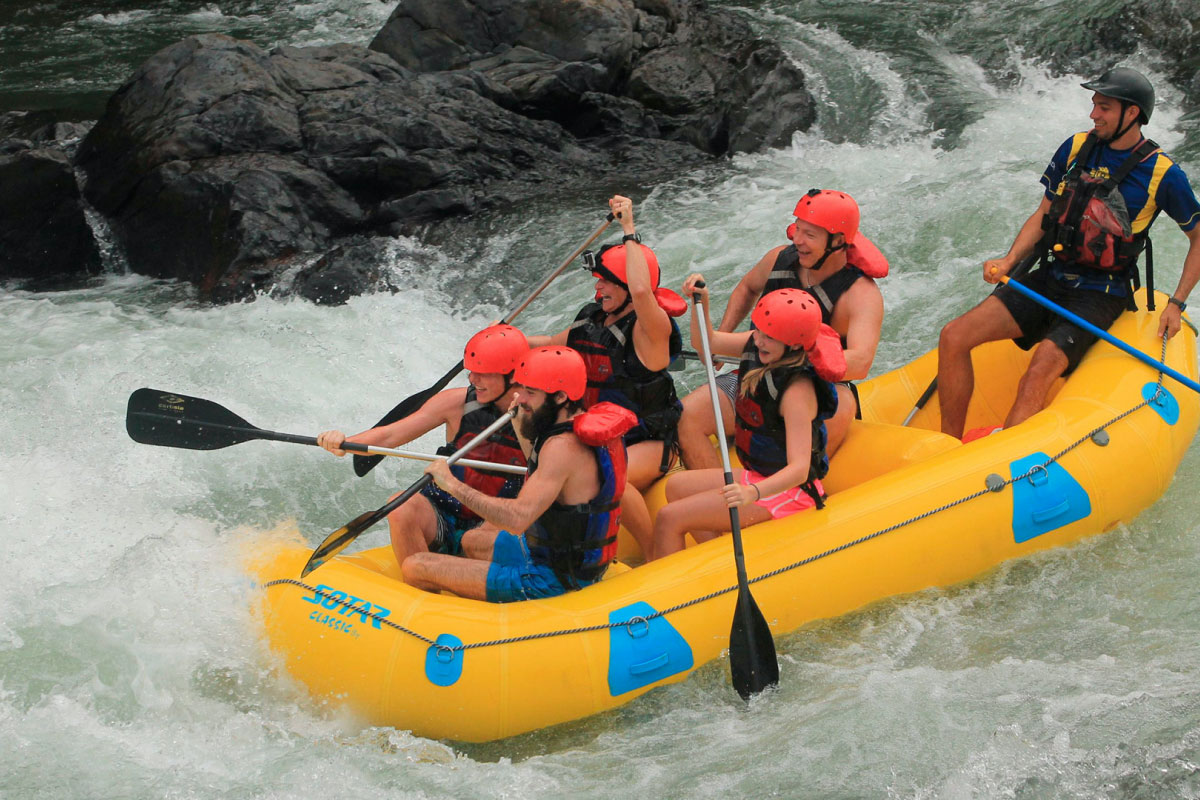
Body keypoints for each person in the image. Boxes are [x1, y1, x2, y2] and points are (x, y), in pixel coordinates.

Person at [937, 67, 1200, 440]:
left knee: (1040, 369)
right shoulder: (1077, 147)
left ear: (1133, 114)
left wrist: (1177, 302)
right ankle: (947, 444)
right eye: (1094, 105)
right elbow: (1044, 213)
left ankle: (999, 462)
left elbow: (1198, 238)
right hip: (1053, 276)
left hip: (1100, 292)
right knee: (953, 336)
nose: (1094, 114)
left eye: (1104, 107)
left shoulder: (1162, 173)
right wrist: (1010, 260)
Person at [401, 346, 637, 601]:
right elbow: (538, 467)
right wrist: (519, 422)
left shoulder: (563, 448)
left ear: (559, 397)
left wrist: (450, 484)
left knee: (415, 566)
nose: (520, 398)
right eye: (521, 388)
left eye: (530, 392)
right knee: (471, 541)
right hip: (560, 558)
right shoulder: (581, 426)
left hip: (549, 579)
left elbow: (517, 519)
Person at [675, 189, 886, 470]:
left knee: (844, 403)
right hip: (758, 371)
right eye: (797, 229)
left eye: (810, 235)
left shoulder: (860, 294)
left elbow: (860, 362)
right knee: (686, 415)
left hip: (818, 386)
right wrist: (723, 344)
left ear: (837, 241)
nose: (797, 240)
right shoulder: (780, 259)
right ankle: (722, 500)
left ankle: (799, 483)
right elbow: (748, 288)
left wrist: (793, 357)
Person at [529, 194, 687, 556]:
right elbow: (550, 343)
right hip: (598, 438)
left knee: (614, 478)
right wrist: (507, 342)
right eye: (597, 281)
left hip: (650, 442)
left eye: (606, 283)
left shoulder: (650, 331)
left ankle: (654, 555)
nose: (597, 289)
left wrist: (629, 229)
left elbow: (644, 290)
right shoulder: (593, 320)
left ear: (629, 289)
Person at [651, 284, 846, 560]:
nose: (759, 340)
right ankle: (719, 559)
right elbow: (706, 343)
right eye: (758, 331)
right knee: (676, 487)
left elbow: (800, 469)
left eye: (769, 337)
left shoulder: (797, 393)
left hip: (789, 494)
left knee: (669, 518)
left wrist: (752, 493)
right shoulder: (759, 344)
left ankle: (671, 595)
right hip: (760, 478)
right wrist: (701, 303)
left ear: (792, 343)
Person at [316, 324, 529, 569]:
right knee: (400, 506)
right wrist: (343, 442)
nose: (472, 379)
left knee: (481, 536)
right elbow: (389, 435)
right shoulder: (456, 402)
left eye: (483, 373)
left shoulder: (541, 415)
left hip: (498, 521)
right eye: (471, 371)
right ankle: (419, 589)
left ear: (513, 375)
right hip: (445, 513)